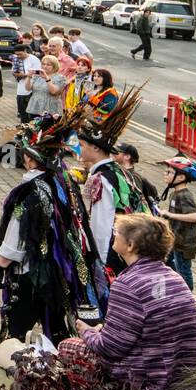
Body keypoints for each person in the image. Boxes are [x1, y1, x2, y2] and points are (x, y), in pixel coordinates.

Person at [64, 214, 196, 390]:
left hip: (149, 385)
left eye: (116, 233)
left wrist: (87, 331)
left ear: (130, 246)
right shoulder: (175, 278)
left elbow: (110, 348)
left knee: (67, 346)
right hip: (184, 386)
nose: (114, 236)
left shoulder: (128, 284)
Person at [0, 109, 102, 344]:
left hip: (31, 273)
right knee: (58, 329)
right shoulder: (63, 181)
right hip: (60, 273)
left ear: (31, 159)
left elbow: (16, 236)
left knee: (15, 333)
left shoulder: (28, 192)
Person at [77, 86, 155, 292]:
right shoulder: (118, 171)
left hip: (117, 254)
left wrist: (98, 264)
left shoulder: (100, 179)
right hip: (135, 248)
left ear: (95, 148)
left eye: (82, 145)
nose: (79, 150)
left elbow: (101, 227)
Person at [160, 157, 196, 290]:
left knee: (183, 271)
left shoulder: (184, 195)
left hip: (184, 243)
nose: (165, 174)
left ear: (181, 177)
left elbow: (195, 216)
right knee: (169, 264)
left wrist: (170, 215)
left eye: (170, 172)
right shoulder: (175, 193)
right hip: (175, 239)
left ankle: (188, 296)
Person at [26, 54, 66, 118]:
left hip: (52, 110)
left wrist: (47, 78)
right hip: (35, 108)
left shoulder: (60, 78)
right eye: (43, 64)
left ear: (54, 66)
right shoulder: (37, 76)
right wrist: (28, 77)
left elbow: (54, 91)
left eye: (48, 65)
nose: (45, 66)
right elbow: (28, 88)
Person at [11, 42, 41, 123]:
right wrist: (19, 74)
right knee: (22, 114)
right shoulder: (16, 59)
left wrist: (26, 75)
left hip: (32, 91)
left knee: (31, 115)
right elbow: (14, 72)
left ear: (25, 51)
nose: (19, 56)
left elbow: (39, 73)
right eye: (17, 54)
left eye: (20, 54)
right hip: (20, 91)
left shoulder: (34, 59)